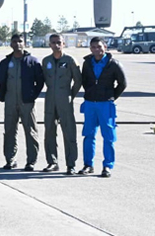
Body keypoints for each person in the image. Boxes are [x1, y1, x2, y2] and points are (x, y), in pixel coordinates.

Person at [79, 36, 127, 177]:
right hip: (90, 104)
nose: (96, 49)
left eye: (99, 46)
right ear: (90, 49)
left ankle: (107, 166)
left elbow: (122, 84)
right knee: (88, 135)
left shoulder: (114, 64)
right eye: (93, 47)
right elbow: (85, 81)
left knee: (108, 136)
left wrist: (110, 97)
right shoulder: (87, 63)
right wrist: (90, 93)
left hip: (106, 105)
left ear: (105, 47)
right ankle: (88, 165)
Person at [0, 34, 44, 171]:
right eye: (14, 41)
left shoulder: (32, 61)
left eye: (20, 41)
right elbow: (1, 79)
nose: (17, 44)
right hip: (10, 101)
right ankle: (10, 160)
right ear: (11, 44)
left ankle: (31, 161)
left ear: (25, 43)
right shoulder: (5, 62)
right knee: (10, 131)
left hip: (27, 102)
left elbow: (40, 82)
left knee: (30, 131)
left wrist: (32, 96)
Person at [41, 33, 82, 174]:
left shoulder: (70, 60)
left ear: (63, 43)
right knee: (49, 131)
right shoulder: (46, 61)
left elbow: (78, 81)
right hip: (50, 99)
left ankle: (71, 164)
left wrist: (70, 94)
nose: (56, 45)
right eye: (53, 42)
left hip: (65, 98)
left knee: (69, 132)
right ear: (49, 44)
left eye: (59, 42)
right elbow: (44, 79)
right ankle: (52, 162)